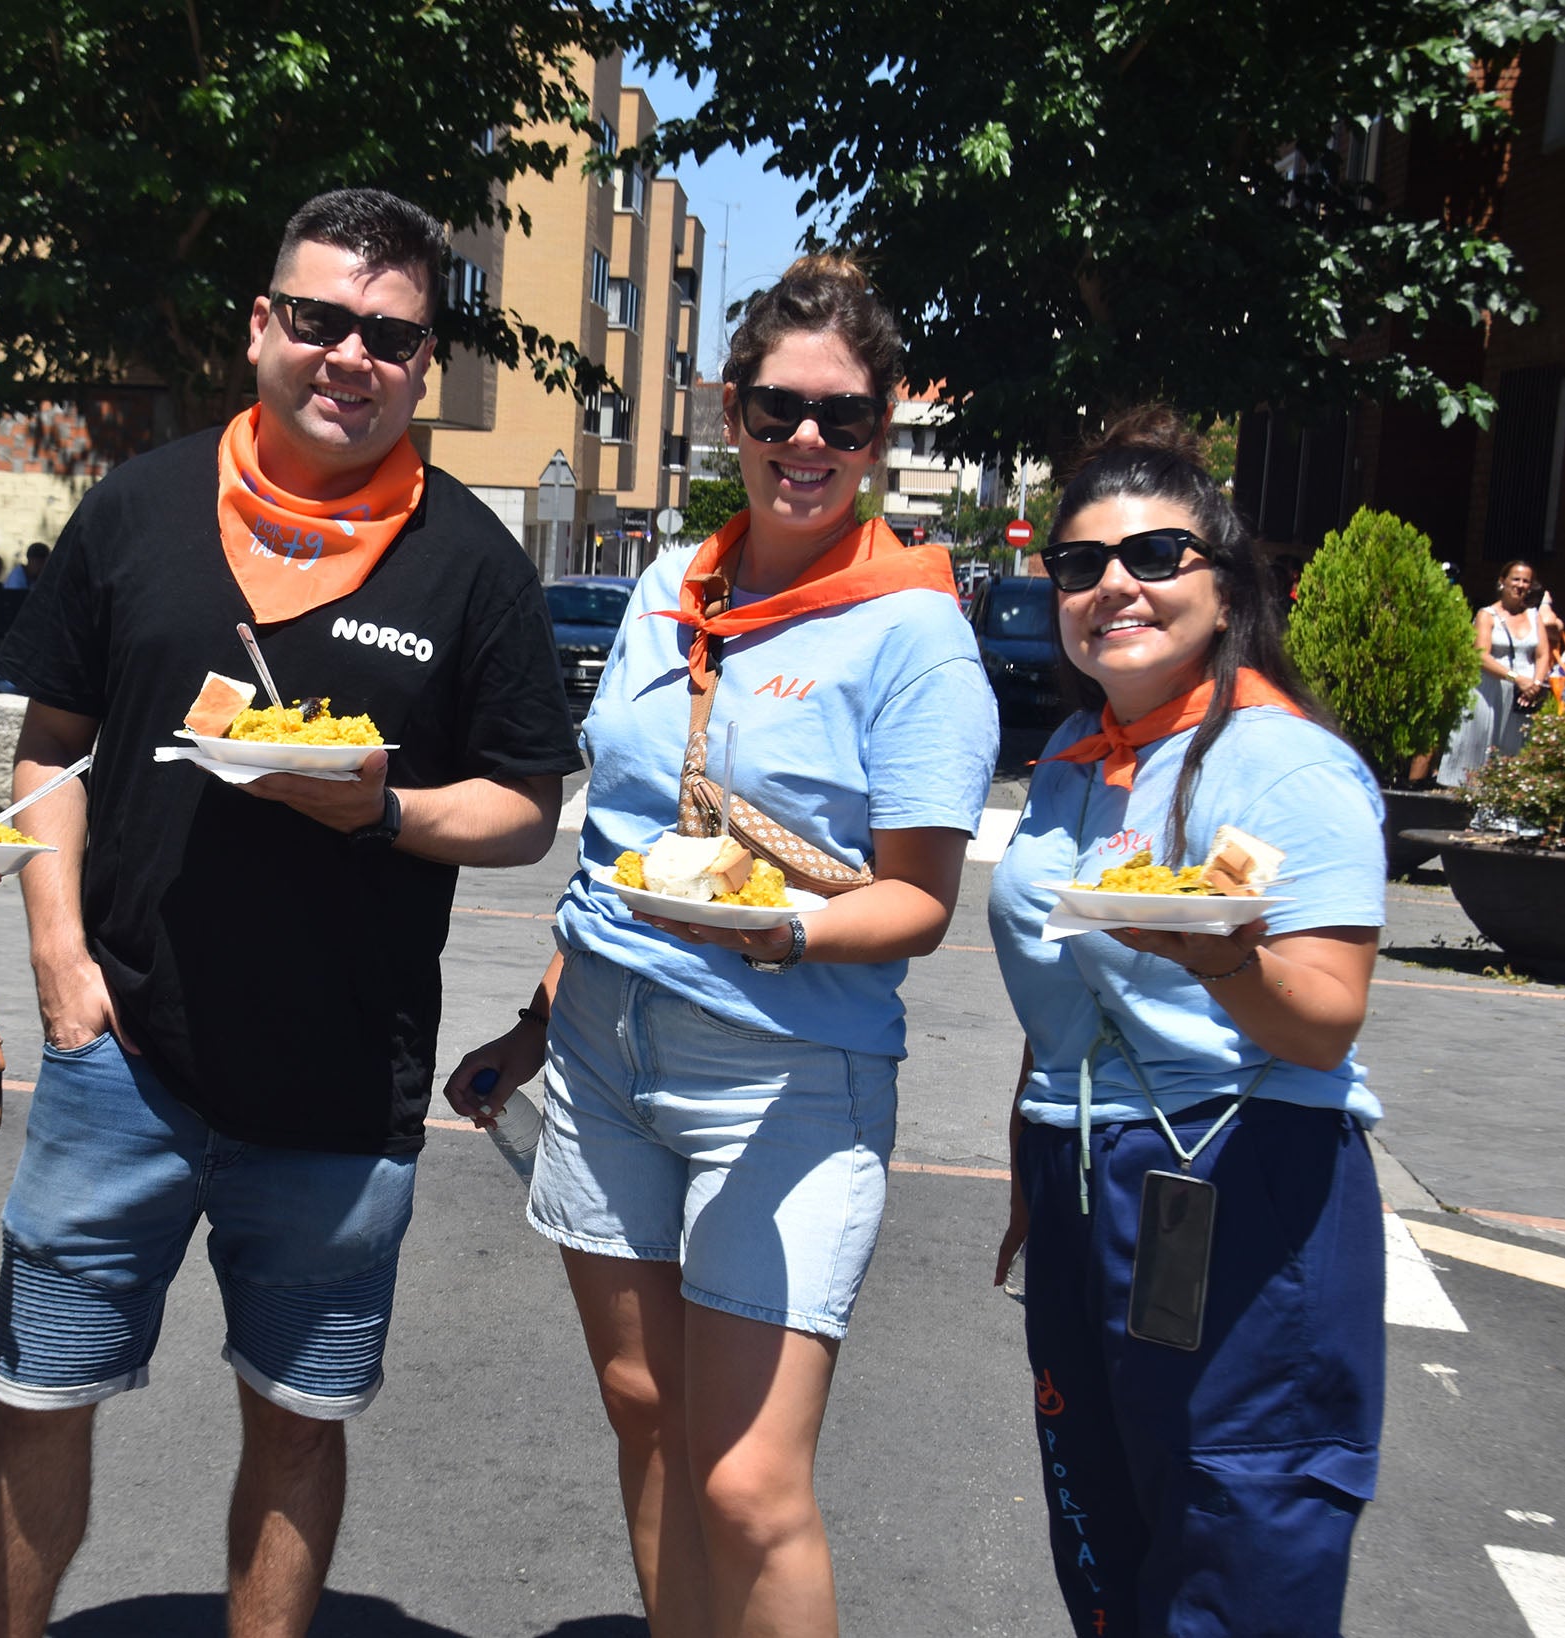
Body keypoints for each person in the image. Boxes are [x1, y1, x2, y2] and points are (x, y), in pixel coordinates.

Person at [0, 187, 582, 1638]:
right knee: (39, 1391)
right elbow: (45, 745)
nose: (348, 355)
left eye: (388, 332)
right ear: (262, 325)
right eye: (318, 319)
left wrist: (386, 809)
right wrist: (55, 949)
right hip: (121, 1043)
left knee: (299, 1414)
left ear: (423, 360)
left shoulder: (470, 562)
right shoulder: (138, 506)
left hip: (336, 1072)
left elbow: (525, 806)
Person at [443, 253, 996, 1634]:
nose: (805, 441)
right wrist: (533, 1017)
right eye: (776, 408)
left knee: (748, 1479)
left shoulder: (915, 633)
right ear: (730, 414)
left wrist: (787, 927)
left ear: (875, 437)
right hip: (604, 1049)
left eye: (845, 419)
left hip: (786, 1073)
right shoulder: (665, 590)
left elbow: (920, 899)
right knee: (647, 1417)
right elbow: (621, 839)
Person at [987, 408, 1385, 1637]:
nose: (1115, 585)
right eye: (1079, 563)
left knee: (1235, 1532)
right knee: (1103, 1528)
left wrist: (1216, 960)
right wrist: (1030, 1167)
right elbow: (1060, 999)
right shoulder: (1070, 753)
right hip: (1082, 1169)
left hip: (1240, 1168)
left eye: (1156, 556)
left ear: (1227, 585)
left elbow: (1322, 1023)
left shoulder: (1284, 761)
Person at [1437, 559, 1549, 785]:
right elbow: (1481, 655)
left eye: (1526, 581)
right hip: (1491, 692)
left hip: (1524, 698)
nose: (1520, 585)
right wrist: (1517, 679)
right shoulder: (1487, 615)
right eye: (1515, 579)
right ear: (1502, 582)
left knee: (1515, 752)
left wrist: (1535, 684)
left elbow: (1542, 654)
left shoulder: (1534, 616)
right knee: (1479, 749)